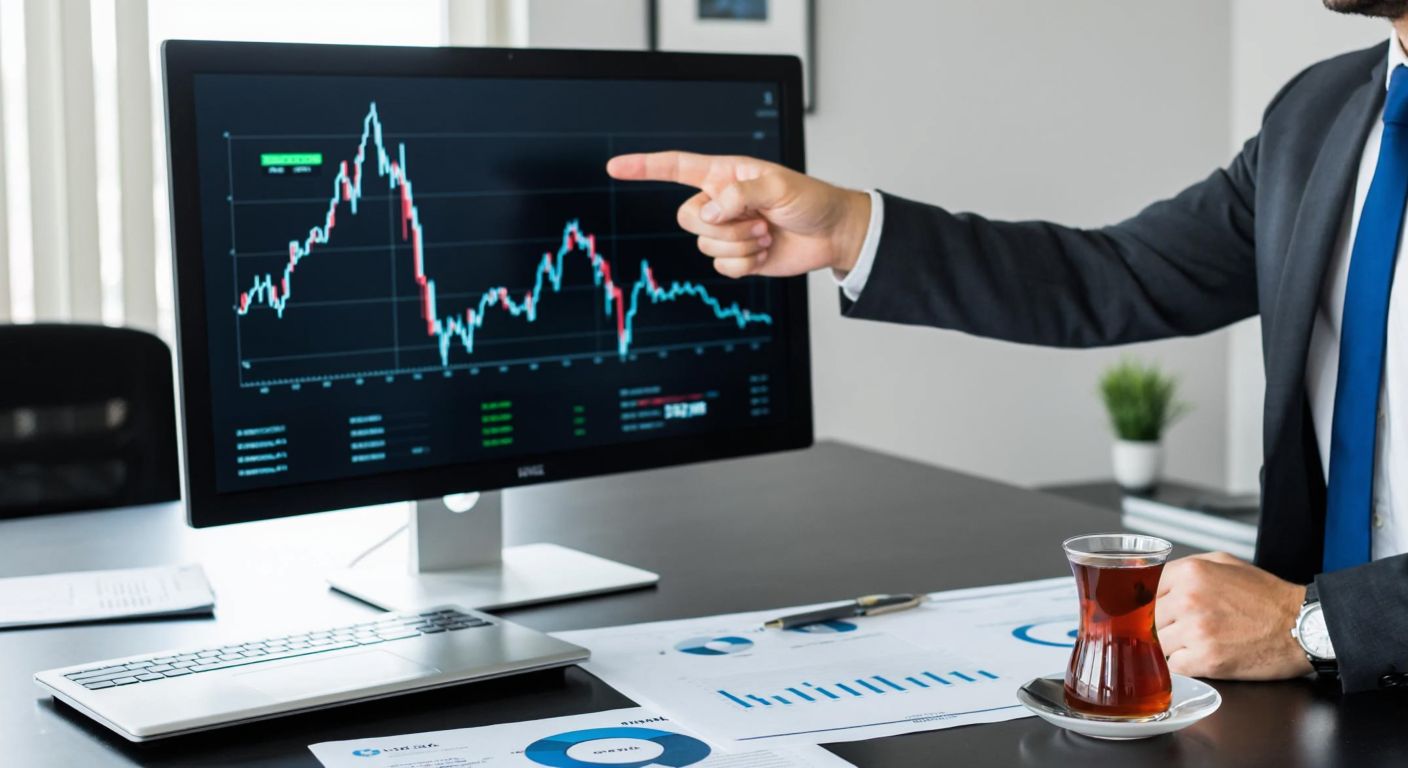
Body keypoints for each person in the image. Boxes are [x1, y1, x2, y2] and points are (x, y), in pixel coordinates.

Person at [606, 1, 1408, 694]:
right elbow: (1114, 277)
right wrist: (851, 228)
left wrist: (1312, 626)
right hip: (1329, 703)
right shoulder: (1322, 111)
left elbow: (1305, 625)